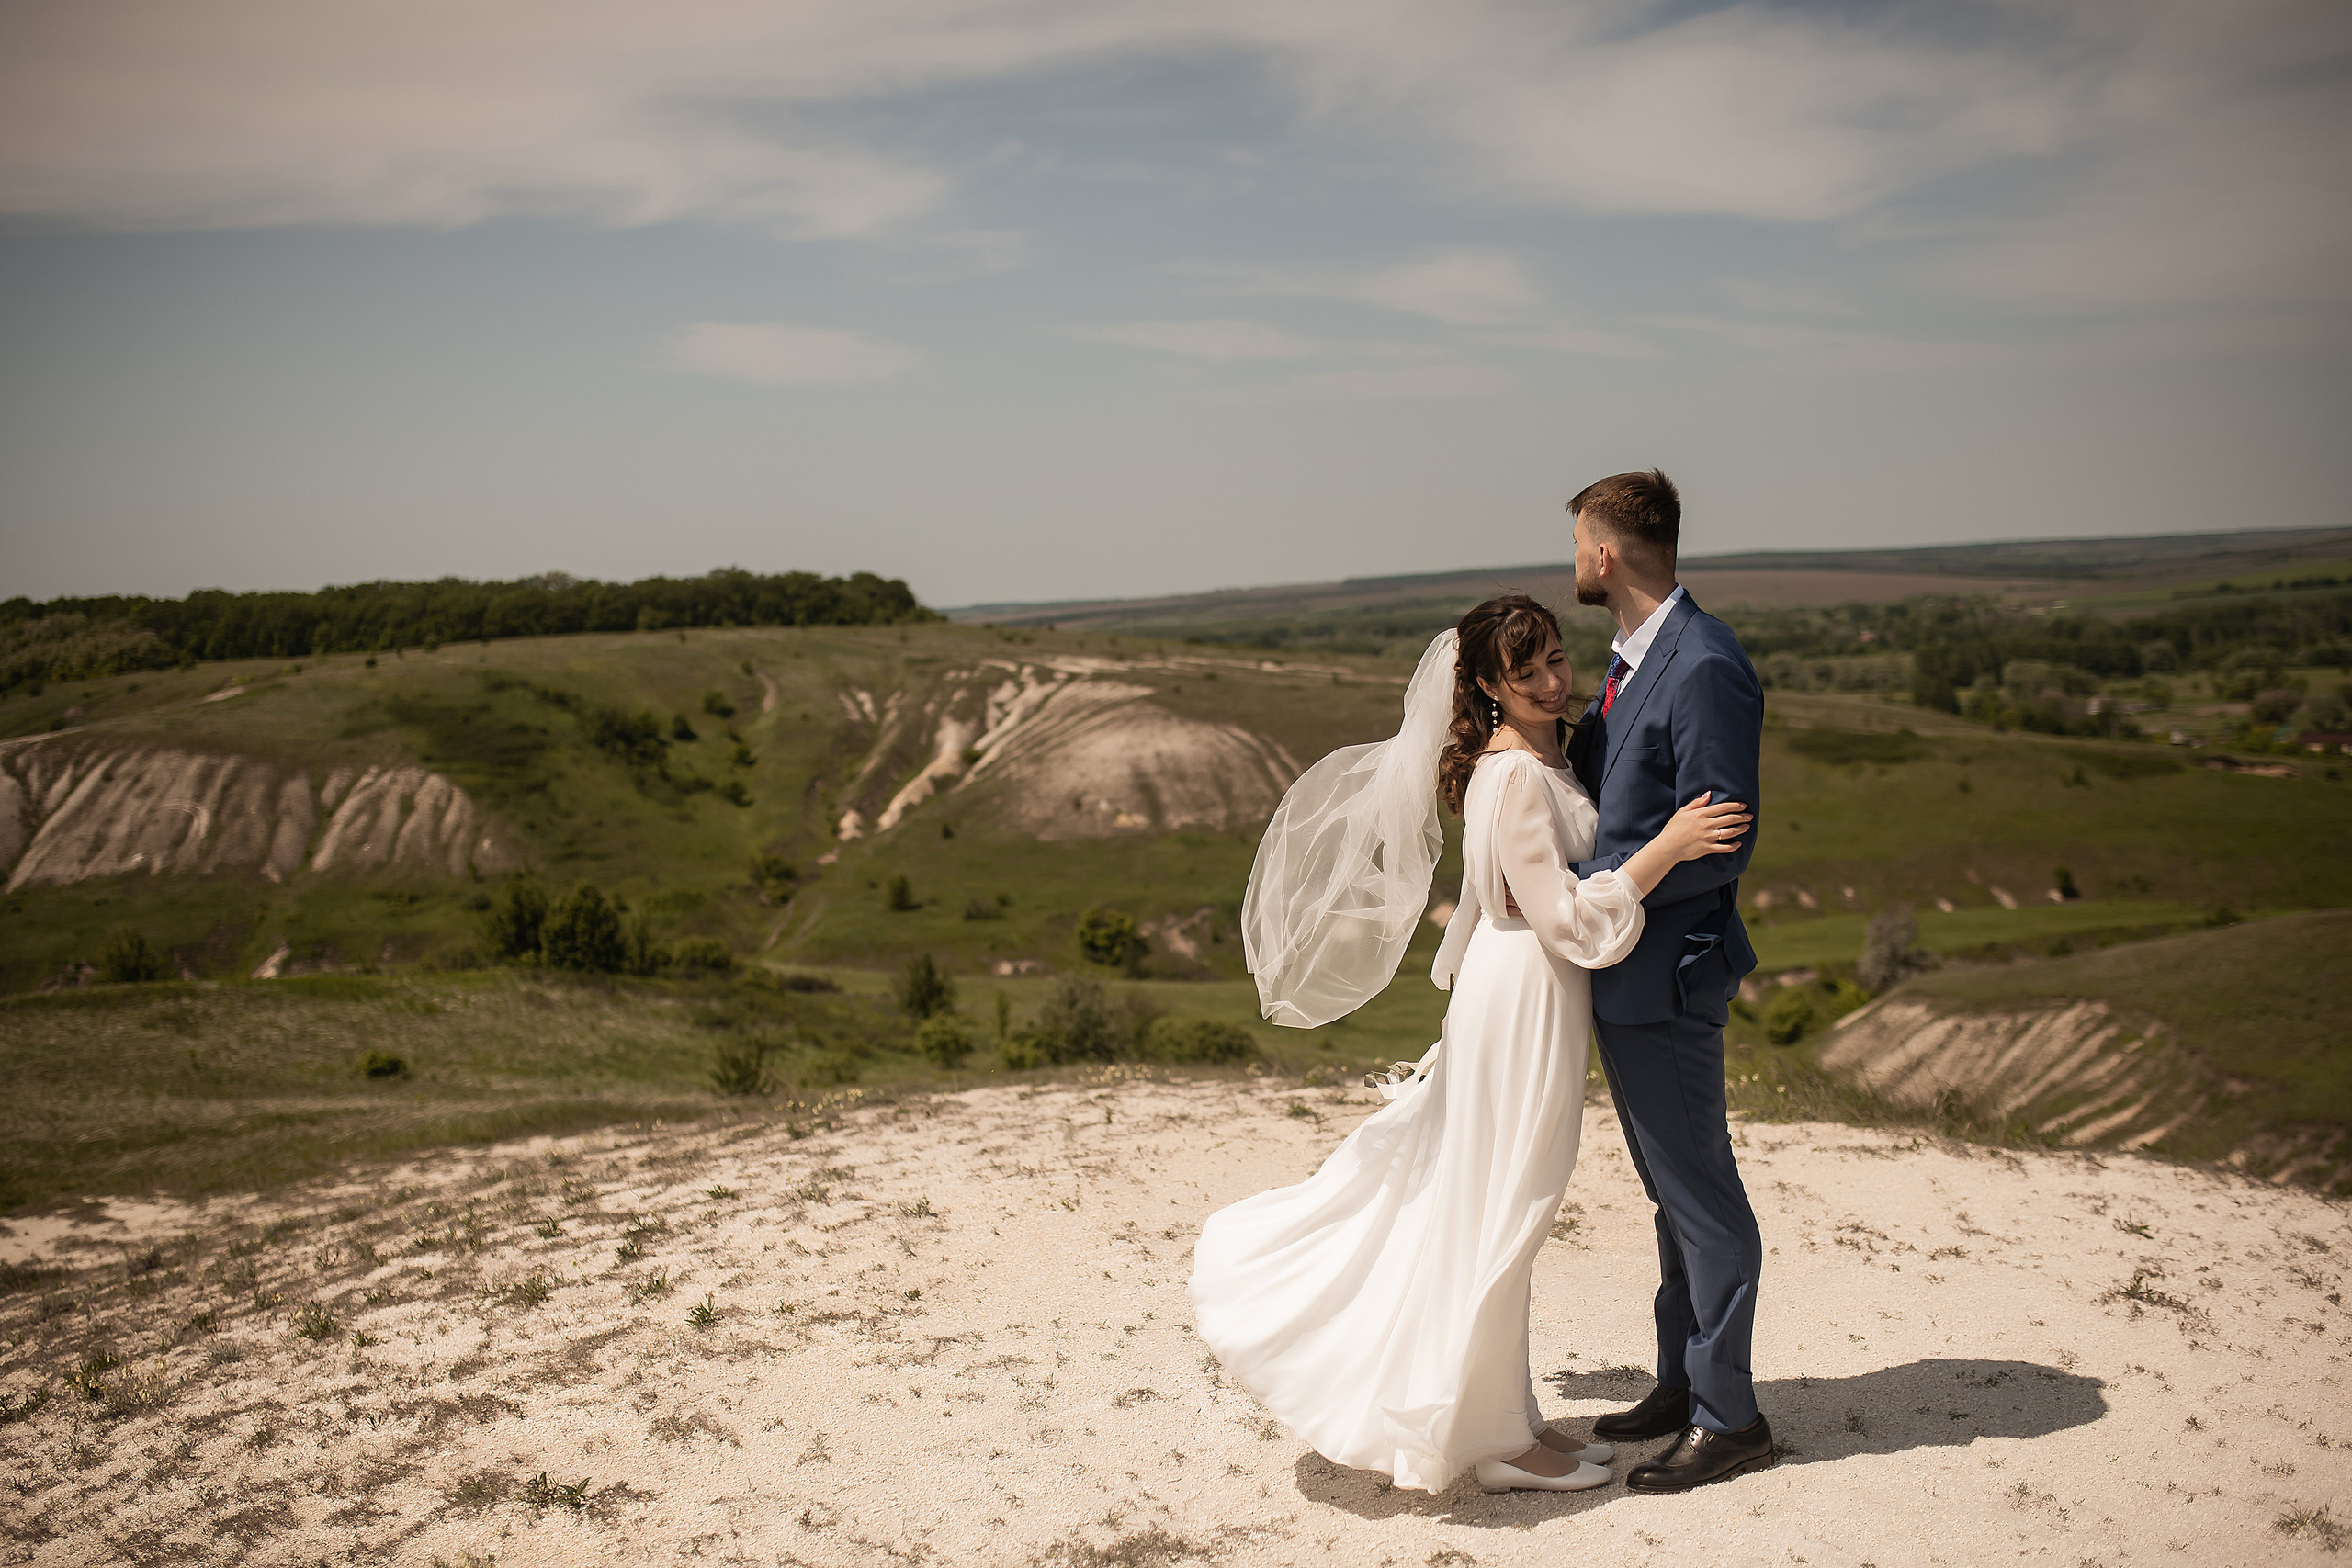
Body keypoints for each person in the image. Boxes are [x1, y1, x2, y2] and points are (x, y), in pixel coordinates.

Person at [1191, 592, 1750, 1494]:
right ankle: (1496, 1446)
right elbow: (1566, 917)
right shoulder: (1516, 773)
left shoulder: (1536, 756)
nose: (1548, 681)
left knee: (1507, 1208)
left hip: (1529, 988)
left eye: (1556, 660)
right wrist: (1669, 847)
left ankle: (1511, 1421)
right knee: (1506, 1208)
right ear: (1486, 686)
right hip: (1525, 992)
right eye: (1522, 671)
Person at [1564, 468, 1773, 1494]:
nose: (1572, 563)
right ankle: (1680, 1383)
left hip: (1668, 975)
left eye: (1575, 546)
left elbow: (1722, 842)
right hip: (1620, 971)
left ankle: (1731, 1416)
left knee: (1702, 1195)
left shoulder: (1699, 664)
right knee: (1668, 1195)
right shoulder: (1628, 663)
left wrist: (1605, 888)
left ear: (1605, 554)